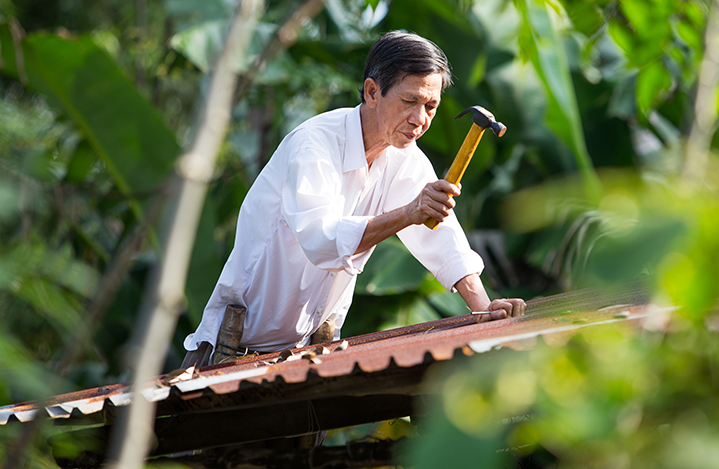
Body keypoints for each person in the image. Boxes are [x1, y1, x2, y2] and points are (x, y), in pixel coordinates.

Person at [183, 31, 525, 364]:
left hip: (306, 356)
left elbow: (441, 237)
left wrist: (483, 308)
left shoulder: (406, 158)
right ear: (372, 91)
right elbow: (322, 241)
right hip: (229, 355)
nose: (420, 120)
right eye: (409, 101)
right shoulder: (313, 145)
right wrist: (409, 213)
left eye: (431, 106)